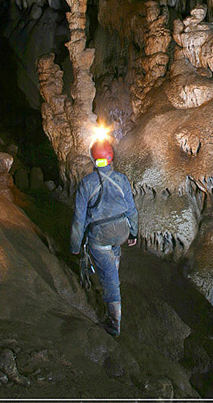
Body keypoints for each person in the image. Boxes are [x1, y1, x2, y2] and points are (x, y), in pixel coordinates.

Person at [70, 137, 138, 336]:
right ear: (110, 158)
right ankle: (112, 265)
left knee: (108, 278)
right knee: (112, 248)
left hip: (100, 235)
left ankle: (114, 325)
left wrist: (75, 246)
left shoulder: (86, 183)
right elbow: (131, 210)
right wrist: (133, 232)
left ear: (93, 159)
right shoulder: (121, 179)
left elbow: (78, 219)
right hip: (122, 231)